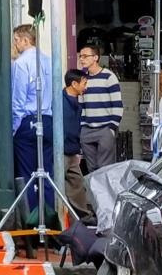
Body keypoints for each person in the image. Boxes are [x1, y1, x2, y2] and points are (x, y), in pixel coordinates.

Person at [11, 23, 53, 211]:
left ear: (25, 40)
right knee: (48, 173)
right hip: (48, 120)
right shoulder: (49, 61)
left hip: (28, 121)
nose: (15, 45)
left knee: (27, 175)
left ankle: (31, 221)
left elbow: (17, 100)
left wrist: (14, 128)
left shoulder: (21, 63)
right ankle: (51, 217)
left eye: (17, 40)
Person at [78, 43, 122, 171]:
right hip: (87, 129)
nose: (81, 59)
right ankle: (93, 192)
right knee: (91, 168)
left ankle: (105, 192)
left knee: (105, 169)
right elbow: (82, 106)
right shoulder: (83, 79)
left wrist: (112, 128)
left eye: (85, 56)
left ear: (96, 57)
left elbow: (117, 104)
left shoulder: (109, 77)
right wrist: (82, 127)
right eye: (81, 56)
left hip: (105, 129)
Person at [63, 68, 92, 219]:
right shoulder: (61, 101)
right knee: (65, 183)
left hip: (72, 149)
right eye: (84, 83)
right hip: (61, 150)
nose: (85, 87)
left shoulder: (76, 102)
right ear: (74, 84)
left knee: (77, 182)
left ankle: (82, 215)